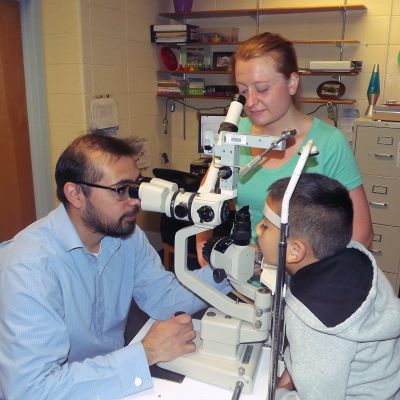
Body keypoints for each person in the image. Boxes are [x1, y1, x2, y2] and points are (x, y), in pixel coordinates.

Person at [0, 134, 231, 399]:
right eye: (121, 190)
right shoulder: (29, 268)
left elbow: (164, 299)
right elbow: (29, 391)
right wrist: (147, 353)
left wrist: (227, 270)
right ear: (75, 194)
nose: (135, 200)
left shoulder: (127, 237)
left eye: (136, 187)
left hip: (110, 380)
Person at [196, 31, 373, 267]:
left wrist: (312, 283)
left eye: (262, 88)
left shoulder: (329, 142)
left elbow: (362, 235)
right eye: (243, 89)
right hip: (240, 272)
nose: (250, 101)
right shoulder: (236, 131)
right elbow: (203, 199)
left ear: (292, 82)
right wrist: (203, 250)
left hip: (301, 281)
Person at [256, 173, 400, 400]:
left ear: (295, 251)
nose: (257, 230)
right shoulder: (354, 256)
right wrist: (294, 368)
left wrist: (279, 395)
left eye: (265, 225)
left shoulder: (312, 320)